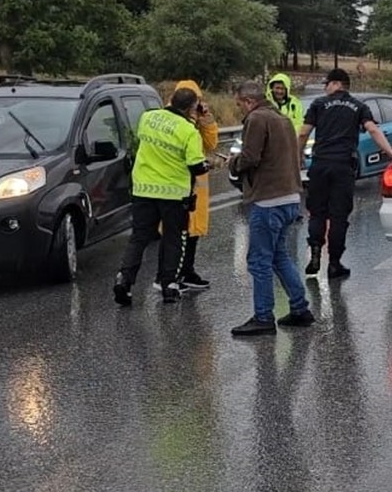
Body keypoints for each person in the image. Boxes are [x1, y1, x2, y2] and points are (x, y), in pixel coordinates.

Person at [298, 67, 392, 279]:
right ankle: (334, 263)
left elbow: (303, 132)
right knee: (338, 216)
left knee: (317, 212)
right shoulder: (359, 106)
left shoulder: (319, 104)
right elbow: (374, 130)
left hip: (320, 164)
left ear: (336, 83)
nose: (325, 88)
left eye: (327, 84)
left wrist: (298, 156)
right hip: (343, 166)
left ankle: (315, 252)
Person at [227, 80, 313, 336]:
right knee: (279, 256)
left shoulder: (257, 119)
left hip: (267, 200)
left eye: (240, 104)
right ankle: (300, 309)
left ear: (249, 101)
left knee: (259, 261)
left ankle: (263, 317)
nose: (241, 109)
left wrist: (233, 163)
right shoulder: (283, 119)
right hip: (290, 197)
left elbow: (251, 157)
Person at [113, 87, 209, 306]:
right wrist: (210, 163)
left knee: (139, 238)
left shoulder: (147, 118)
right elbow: (197, 166)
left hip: (143, 189)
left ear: (170, 100)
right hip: (173, 194)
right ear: (192, 107)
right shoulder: (188, 131)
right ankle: (169, 285)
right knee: (174, 238)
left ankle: (124, 278)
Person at [154, 80, 219, 291]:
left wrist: (205, 119)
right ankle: (166, 275)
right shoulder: (169, 118)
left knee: (192, 231)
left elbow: (210, 144)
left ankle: (187, 271)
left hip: (196, 184)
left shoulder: (197, 120)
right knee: (173, 232)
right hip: (174, 182)